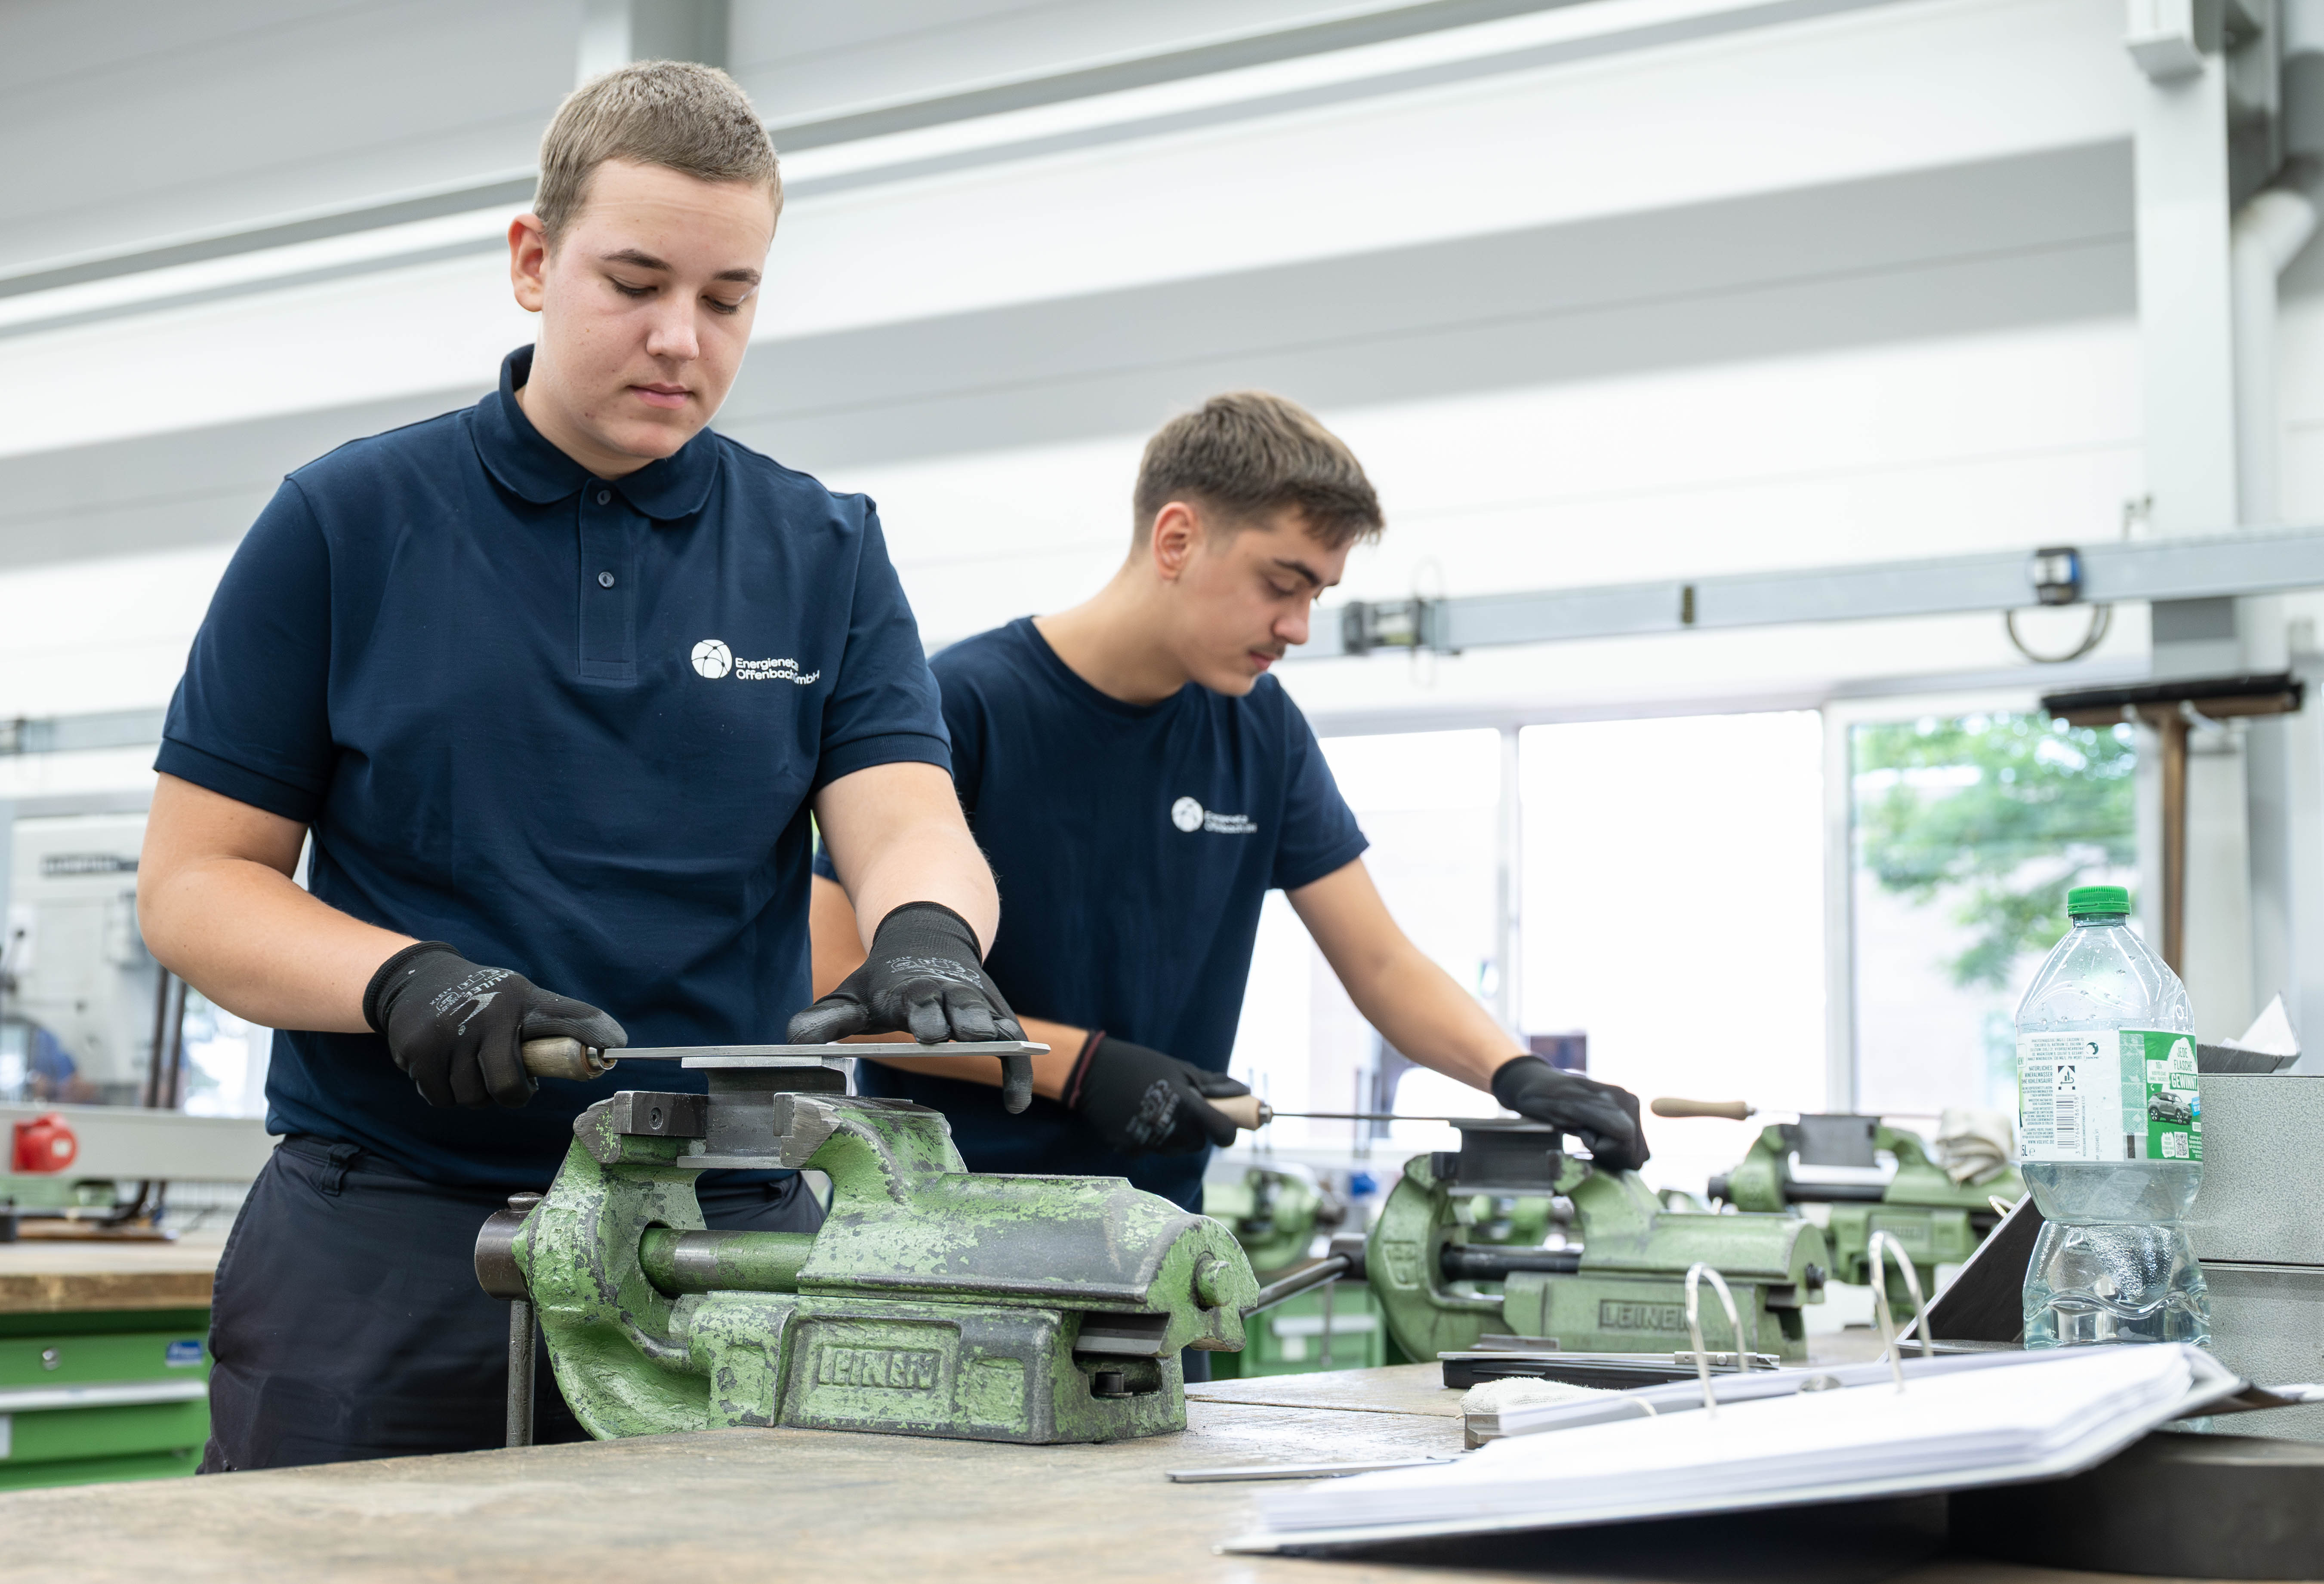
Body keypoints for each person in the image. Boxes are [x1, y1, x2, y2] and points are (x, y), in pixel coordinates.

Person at [136, 62, 1018, 1472]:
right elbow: (193, 886)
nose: (682, 337)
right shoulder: (344, 522)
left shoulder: (825, 548)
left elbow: (904, 811)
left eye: (728, 298)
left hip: (726, 1231)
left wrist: (925, 930)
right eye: (636, 282)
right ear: (533, 262)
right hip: (392, 1233)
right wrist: (402, 980)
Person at [802, 393, 1648, 1262]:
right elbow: (842, 981)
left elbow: (1382, 962)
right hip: (944, 1239)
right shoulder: (967, 704)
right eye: (1281, 585)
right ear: (1176, 539)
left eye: (1316, 594)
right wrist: (1079, 1066)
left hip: (1159, 1255)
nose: (1298, 627)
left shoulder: (1261, 730)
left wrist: (1519, 1077)